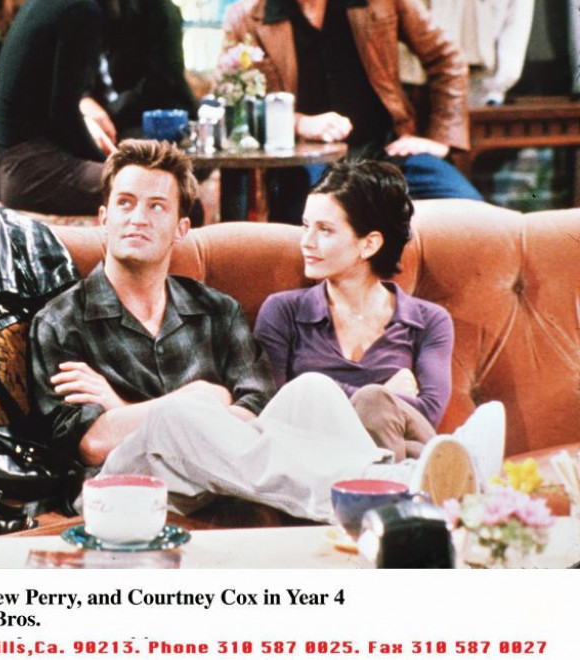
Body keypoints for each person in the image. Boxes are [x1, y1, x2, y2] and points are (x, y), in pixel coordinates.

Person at [29, 140, 500, 522]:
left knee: (312, 392)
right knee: (181, 417)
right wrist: (196, 399)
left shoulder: (216, 310)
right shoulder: (62, 320)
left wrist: (125, 409)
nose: (137, 218)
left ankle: (395, 494)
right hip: (119, 490)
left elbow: (257, 411)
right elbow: (92, 443)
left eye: (156, 206)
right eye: (125, 203)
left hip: (215, 474)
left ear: (181, 227)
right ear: (104, 218)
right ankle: (399, 484)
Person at [222, 0, 482, 223]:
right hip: (307, 162)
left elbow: (445, 58)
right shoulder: (246, 17)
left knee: (472, 217)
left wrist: (439, 140)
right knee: (319, 229)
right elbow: (237, 106)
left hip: (387, 152)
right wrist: (302, 123)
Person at [254, 159, 503, 471]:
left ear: (369, 244)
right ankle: (461, 462)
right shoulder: (282, 311)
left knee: (379, 409)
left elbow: (428, 413)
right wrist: (383, 395)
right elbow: (275, 403)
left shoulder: (428, 321)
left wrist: (371, 401)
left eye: (324, 230)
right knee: (373, 403)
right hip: (314, 459)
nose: (306, 242)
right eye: (305, 226)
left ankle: (429, 468)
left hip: (396, 448)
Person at [0, 0, 136, 215]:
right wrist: (111, 165)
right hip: (33, 172)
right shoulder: (78, 9)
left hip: (20, 166)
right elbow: (64, 115)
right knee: (170, 196)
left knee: (151, 183)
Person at [82, 0, 197, 143]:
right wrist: (84, 100)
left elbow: (162, 80)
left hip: (159, 123)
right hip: (112, 123)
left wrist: (107, 113)